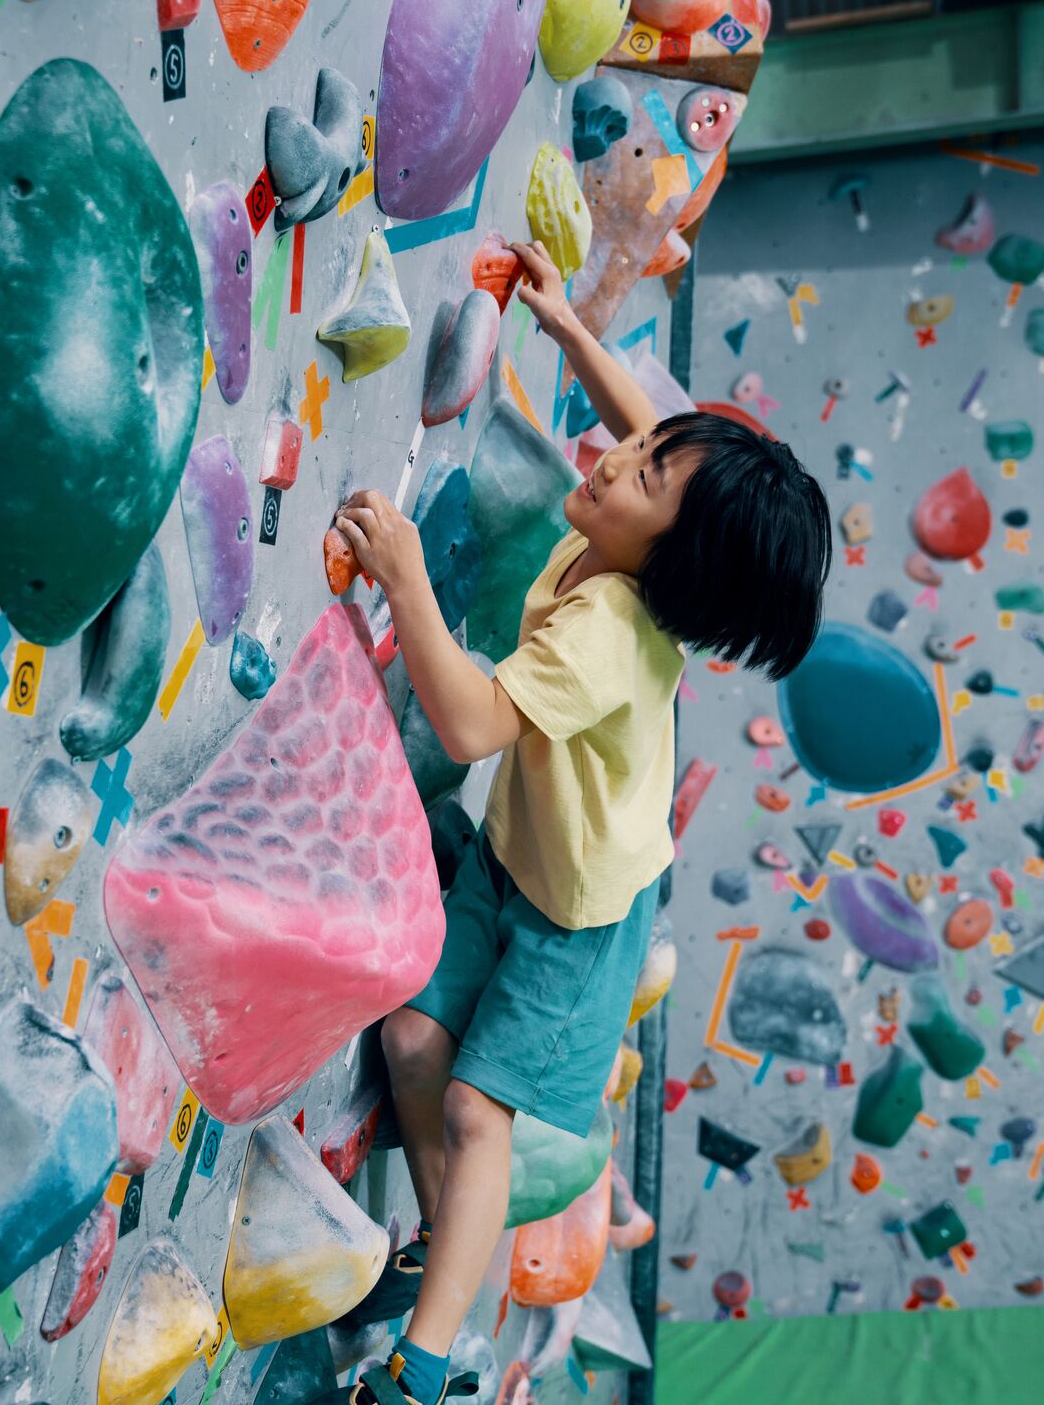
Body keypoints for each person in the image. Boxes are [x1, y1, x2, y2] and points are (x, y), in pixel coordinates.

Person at [315, 241, 831, 1405]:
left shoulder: (610, 630)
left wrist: (401, 576)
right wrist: (563, 325)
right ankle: (446, 1247)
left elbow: (467, 723)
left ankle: (428, 1368)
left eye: (641, 478)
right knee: (405, 1041)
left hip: (581, 923)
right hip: (516, 860)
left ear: (672, 561)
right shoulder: (631, 531)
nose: (615, 460)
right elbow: (650, 421)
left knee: (468, 1107)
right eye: (639, 453)